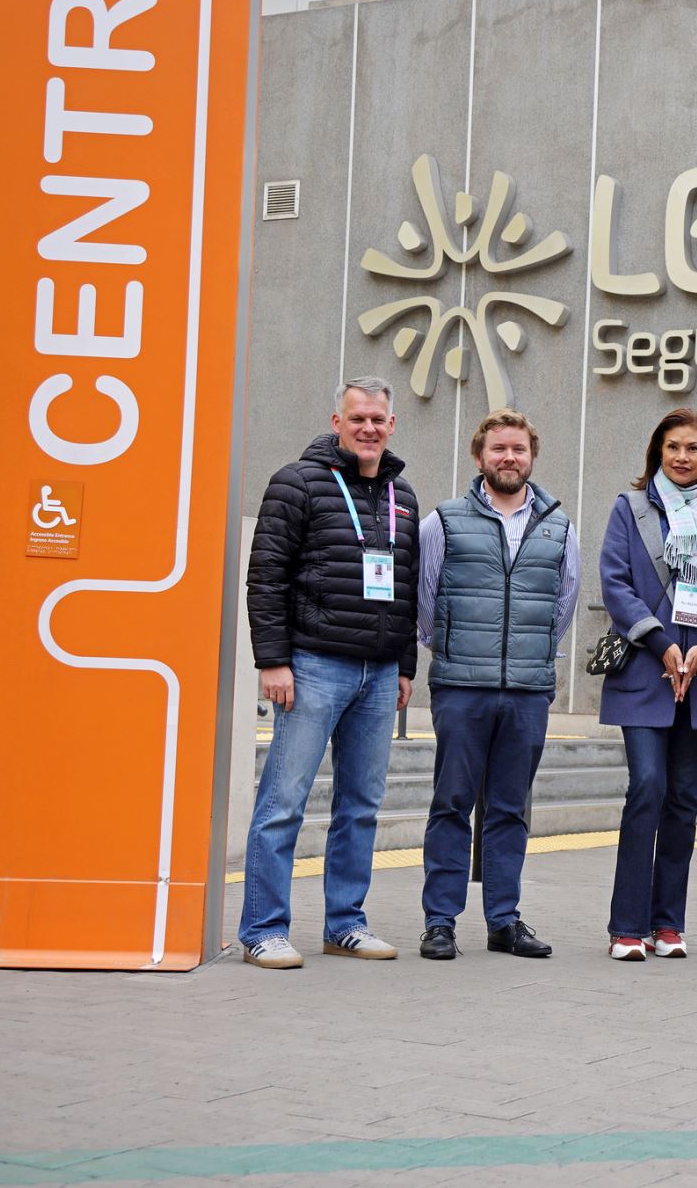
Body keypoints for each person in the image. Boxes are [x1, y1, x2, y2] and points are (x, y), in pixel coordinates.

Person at [240, 375, 420, 969]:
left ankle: (345, 923)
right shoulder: (297, 483)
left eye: (379, 420)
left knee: (361, 805)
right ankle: (264, 929)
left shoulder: (403, 497)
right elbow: (266, 576)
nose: (369, 428)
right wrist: (272, 660)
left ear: (392, 426)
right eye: (357, 418)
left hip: (379, 670)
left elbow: (407, 589)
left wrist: (403, 665)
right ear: (337, 422)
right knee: (284, 801)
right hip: (313, 664)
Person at [416, 408, 580, 961]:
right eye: (498, 449)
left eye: (518, 450)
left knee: (510, 808)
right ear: (479, 456)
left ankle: (503, 920)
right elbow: (425, 600)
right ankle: (440, 920)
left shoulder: (559, 524)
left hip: (528, 690)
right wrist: (459, 649)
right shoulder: (443, 520)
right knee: (452, 803)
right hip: (461, 687)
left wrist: (528, 654)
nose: (509, 458)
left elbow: (564, 603)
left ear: (531, 457)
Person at [599, 408, 697, 960]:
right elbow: (615, 583)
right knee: (648, 789)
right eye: (673, 447)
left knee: (683, 799)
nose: (682, 457)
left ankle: (667, 924)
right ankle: (626, 926)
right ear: (657, 453)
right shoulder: (630, 509)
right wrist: (664, 645)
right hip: (645, 672)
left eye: (693, 448)